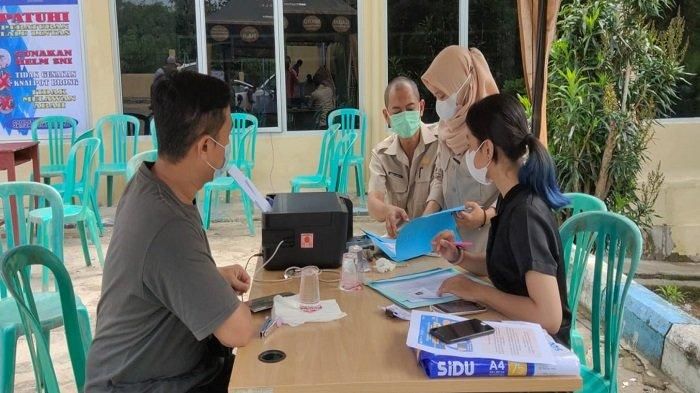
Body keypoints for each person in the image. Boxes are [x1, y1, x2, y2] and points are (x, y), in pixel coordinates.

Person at [86, 71, 254, 392]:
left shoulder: (152, 184)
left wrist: (211, 277)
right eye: (226, 138)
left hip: (161, 372)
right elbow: (238, 332)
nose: (227, 148)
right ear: (206, 146)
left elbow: (158, 275)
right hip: (141, 386)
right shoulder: (166, 223)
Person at [433, 93, 571, 345]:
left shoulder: (526, 213)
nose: (468, 155)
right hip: (515, 331)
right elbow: (506, 266)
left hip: (541, 351)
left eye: (470, 146)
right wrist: (458, 257)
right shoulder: (510, 200)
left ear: (487, 149)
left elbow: (549, 316)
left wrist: (477, 291)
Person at [421, 45, 500, 253]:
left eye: (444, 95)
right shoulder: (446, 126)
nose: (440, 103)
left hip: (490, 250)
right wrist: (427, 215)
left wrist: (484, 216)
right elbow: (440, 174)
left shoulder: (499, 129)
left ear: (466, 86)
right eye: (436, 96)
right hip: (453, 248)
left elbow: (517, 194)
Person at [368, 76, 439, 237]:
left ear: (421, 107)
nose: (405, 116)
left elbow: (439, 190)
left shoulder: (440, 143)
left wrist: (422, 227)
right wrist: (387, 211)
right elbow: (373, 202)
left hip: (435, 237)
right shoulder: (381, 154)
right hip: (399, 238)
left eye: (410, 108)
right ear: (387, 116)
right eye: (397, 112)